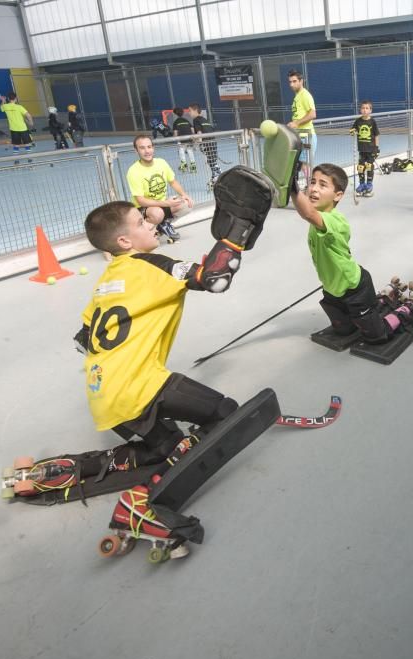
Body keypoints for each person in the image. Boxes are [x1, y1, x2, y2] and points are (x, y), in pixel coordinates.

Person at [70, 201, 240, 554]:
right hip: (140, 385)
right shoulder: (152, 265)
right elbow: (215, 279)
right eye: (140, 221)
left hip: (103, 397)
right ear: (125, 241)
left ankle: (146, 455)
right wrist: (236, 235)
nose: (150, 222)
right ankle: (140, 505)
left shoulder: (107, 279)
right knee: (226, 413)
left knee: (168, 450)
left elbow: (83, 337)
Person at [291, 163, 413, 344]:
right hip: (332, 288)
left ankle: (408, 307)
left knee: (377, 336)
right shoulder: (319, 217)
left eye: (323, 185)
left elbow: (308, 213)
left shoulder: (335, 221)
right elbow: (309, 212)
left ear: (338, 195)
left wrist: (291, 187)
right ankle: (383, 297)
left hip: (354, 288)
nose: (314, 189)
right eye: (312, 182)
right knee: (343, 330)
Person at [125, 135, 193, 242]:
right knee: (157, 213)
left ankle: (163, 224)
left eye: (149, 147)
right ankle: (144, 232)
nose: (147, 151)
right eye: (142, 148)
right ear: (136, 150)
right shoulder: (133, 171)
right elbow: (141, 201)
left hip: (161, 203)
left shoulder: (161, 162)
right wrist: (168, 204)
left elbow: (173, 182)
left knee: (186, 204)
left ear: (153, 148)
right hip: (144, 209)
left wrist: (184, 195)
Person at [286, 70, 317, 177]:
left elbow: (313, 114)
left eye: (294, 81)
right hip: (299, 137)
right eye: (290, 82)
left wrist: (297, 123)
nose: (291, 84)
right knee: (298, 166)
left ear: (301, 81)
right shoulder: (297, 96)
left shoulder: (305, 95)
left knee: (305, 166)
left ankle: (310, 188)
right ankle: (303, 189)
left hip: (306, 137)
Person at [351, 100, 380, 196]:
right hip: (361, 149)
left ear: (370, 110)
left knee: (369, 166)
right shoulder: (358, 121)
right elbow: (353, 130)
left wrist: (376, 148)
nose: (364, 110)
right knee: (360, 167)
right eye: (363, 108)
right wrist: (352, 132)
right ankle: (362, 184)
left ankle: (369, 185)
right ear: (360, 109)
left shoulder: (372, 122)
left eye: (367, 108)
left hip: (370, 149)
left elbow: (376, 135)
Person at [189, 103, 221, 184]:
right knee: (212, 161)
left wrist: (196, 143)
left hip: (206, 143)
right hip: (213, 142)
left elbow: (199, 133)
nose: (189, 113)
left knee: (211, 162)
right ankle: (215, 177)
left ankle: (218, 177)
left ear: (195, 110)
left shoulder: (196, 120)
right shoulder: (205, 120)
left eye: (190, 111)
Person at [0, 92, 34, 158]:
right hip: (23, 128)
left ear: (8, 99)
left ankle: (16, 160)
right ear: (16, 99)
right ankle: (30, 159)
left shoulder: (5, 106)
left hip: (13, 129)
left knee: (16, 145)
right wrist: (31, 122)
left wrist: (3, 100)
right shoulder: (19, 107)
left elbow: (1, 108)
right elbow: (28, 115)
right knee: (27, 144)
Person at [170, 107, 197, 174]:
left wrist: (174, 139)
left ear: (175, 114)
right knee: (190, 151)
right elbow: (192, 130)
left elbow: (176, 134)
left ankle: (184, 166)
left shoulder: (176, 122)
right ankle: (193, 167)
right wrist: (193, 139)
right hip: (189, 138)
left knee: (181, 151)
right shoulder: (186, 120)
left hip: (181, 139)